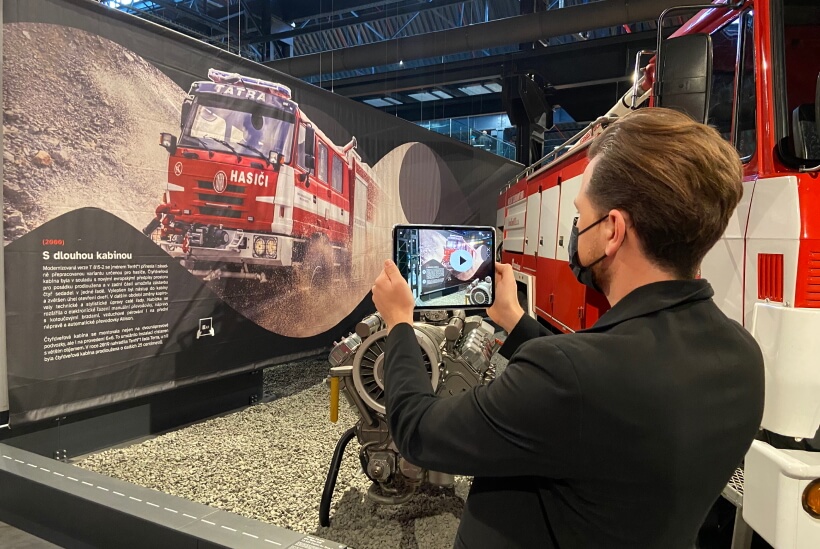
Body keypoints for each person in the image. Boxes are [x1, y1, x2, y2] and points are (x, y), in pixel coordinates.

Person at [371, 107, 764, 549]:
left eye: (580, 214)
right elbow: (591, 386)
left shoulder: (569, 377)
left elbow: (418, 432)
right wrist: (516, 321)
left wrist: (400, 324)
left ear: (613, 229)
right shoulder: (742, 357)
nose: (575, 229)